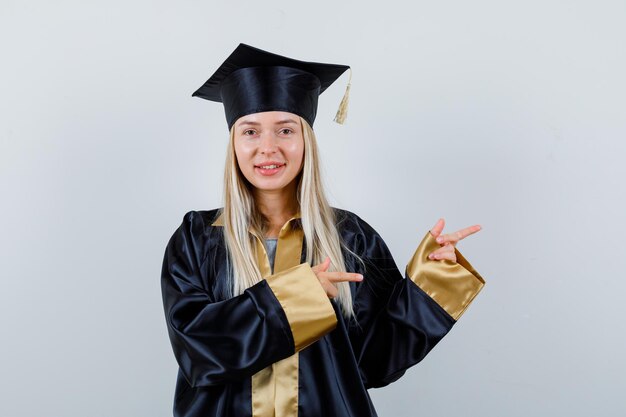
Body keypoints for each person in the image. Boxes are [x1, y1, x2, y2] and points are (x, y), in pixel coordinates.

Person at [161, 43, 485, 417]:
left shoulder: (350, 236)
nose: (267, 148)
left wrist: (433, 282)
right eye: (250, 132)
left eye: (285, 130)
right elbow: (197, 351)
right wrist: (300, 296)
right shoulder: (196, 238)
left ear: (306, 142)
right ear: (233, 142)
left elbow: (374, 362)